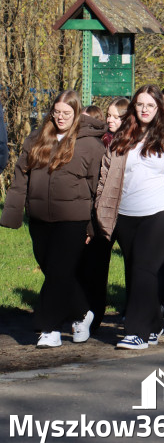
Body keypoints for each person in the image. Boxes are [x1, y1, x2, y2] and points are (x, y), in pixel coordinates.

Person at [94, 84, 164, 350]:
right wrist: (101, 204)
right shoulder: (123, 136)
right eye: (140, 104)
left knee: (144, 267)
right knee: (139, 271)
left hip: (161, 213)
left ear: (159, 109)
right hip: (126, 214)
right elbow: (106, 174)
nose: (144, 110)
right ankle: (154, 324)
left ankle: (137, 332)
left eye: (150, 105)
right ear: (134, 107)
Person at [1, 90, 105, 347]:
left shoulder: (90, 144)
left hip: (74, 218)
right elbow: (20, 178)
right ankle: (82, 312)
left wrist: (94, 224)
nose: (60, 117)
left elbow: (97, 188)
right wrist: (12, 213)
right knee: (53, 268)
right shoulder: (36, 138)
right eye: (57, 112)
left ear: (77, 113)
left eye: (66, 113)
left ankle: (48, 327)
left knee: (59, 271)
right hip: (39, 218)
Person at [78, 95, 130, 334]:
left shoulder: (133, 142)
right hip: (104, 211)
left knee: (134, 263)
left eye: (116, 116)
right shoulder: (101, 142)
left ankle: (132, 310)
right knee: (98, 264)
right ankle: (93, 314)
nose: (110, 120)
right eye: (108, 115)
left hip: (128, 211)